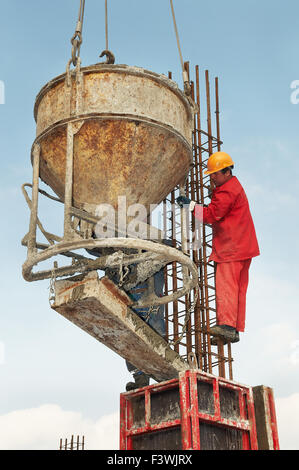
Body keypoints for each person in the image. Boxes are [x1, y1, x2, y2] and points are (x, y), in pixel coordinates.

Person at [176, 151, 259, 344]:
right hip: (243, 246)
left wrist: (190, 206)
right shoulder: (232, 186)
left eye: (214, 174)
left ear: (226, 172)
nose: (211, 177)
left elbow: (211, 215)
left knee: (226, 286)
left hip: (232, 248)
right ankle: (234, 329)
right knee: (238, 289)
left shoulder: (227, 191)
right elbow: (216, 211)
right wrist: (197, 205)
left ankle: (227, 326)